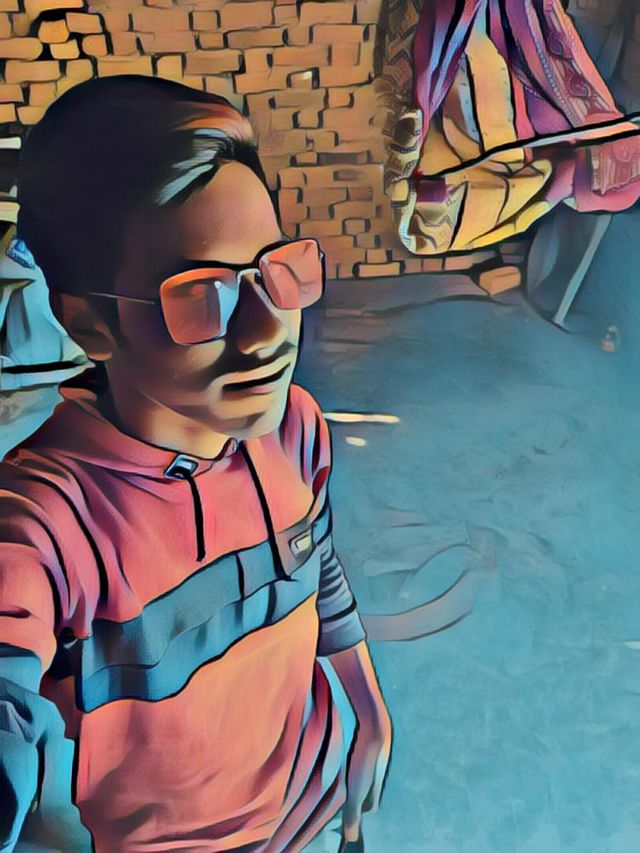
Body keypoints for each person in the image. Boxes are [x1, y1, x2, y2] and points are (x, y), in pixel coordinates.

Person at [0, 75, 392, 853]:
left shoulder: (293, 428)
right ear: (90, 324)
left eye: (276, 271)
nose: (268, 330)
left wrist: (368, 710)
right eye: (202, 295)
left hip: (315, 797)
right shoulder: (47, 524)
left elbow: (316, 563)